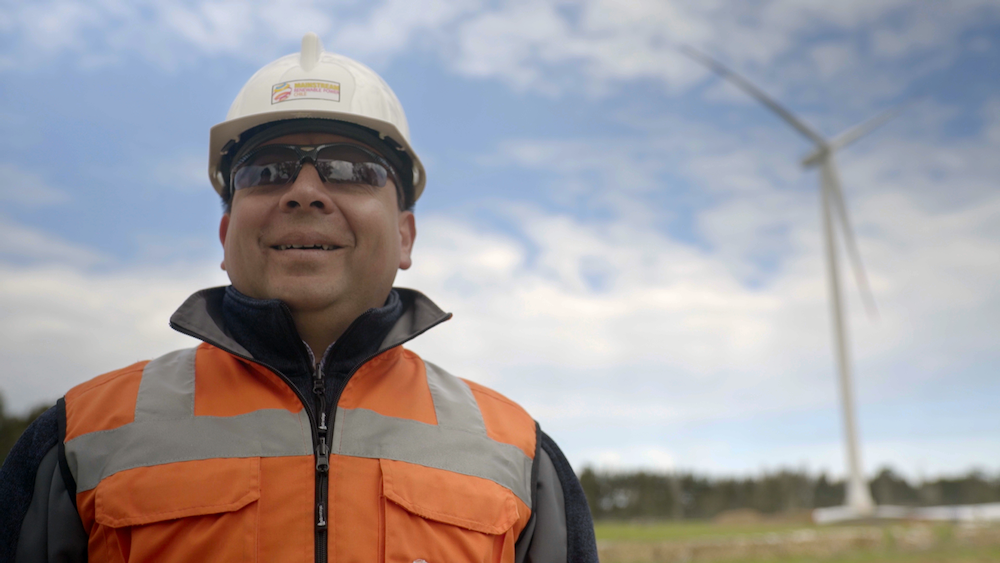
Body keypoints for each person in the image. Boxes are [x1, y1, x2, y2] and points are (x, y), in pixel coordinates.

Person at [0, 33, 598, 562]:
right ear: (225, 234)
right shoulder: (77, 438)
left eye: (352, 168)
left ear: (406, 236)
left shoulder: (520, 456)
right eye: (266, 170)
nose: (305, 191)